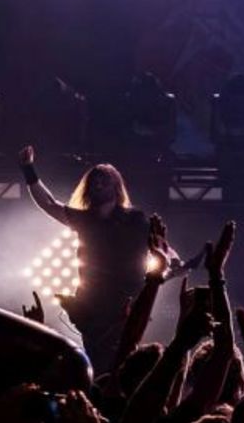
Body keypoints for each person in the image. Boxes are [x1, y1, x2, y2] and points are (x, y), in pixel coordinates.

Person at [18, 146, 156, 372]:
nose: (99, 184)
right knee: (97, 363)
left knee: (123, 362)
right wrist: (28, 169)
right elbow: (49, 204)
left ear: (116, 187)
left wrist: (174, 263)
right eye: (95, 181)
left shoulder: (136, 220)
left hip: (126, 306)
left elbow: (159, 245)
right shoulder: (84, 220)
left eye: (104, 181)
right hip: (92, 308)